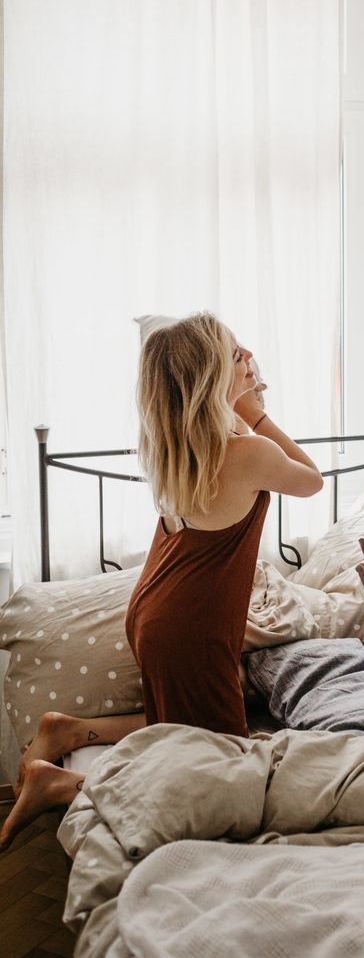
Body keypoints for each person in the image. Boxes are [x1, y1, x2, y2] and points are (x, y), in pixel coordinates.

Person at [0, 312, 322, 853]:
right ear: (213, 376)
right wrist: (257, 414)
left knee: (183, 725)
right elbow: (311, 479)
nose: (249, 359)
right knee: (219, 774)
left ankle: (70, 729)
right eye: (236, 354)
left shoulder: (180, 446)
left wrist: (236, 408)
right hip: (193, 627)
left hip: (156, 610)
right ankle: (65, 785)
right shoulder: (247, 451)